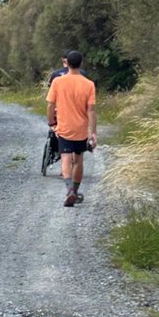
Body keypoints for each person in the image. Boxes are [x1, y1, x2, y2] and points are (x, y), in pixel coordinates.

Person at [46, 50, 97, 207]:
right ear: (81, 64)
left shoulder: (57, 82)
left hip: (64, 127)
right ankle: (75, 190)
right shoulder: (89, 84)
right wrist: (93, 132)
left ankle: (69, 190)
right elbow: (91, 110)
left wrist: (51, 123)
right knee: (79, 158)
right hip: (81, 129)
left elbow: (50, 104)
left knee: (66, 158)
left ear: (66, 63)